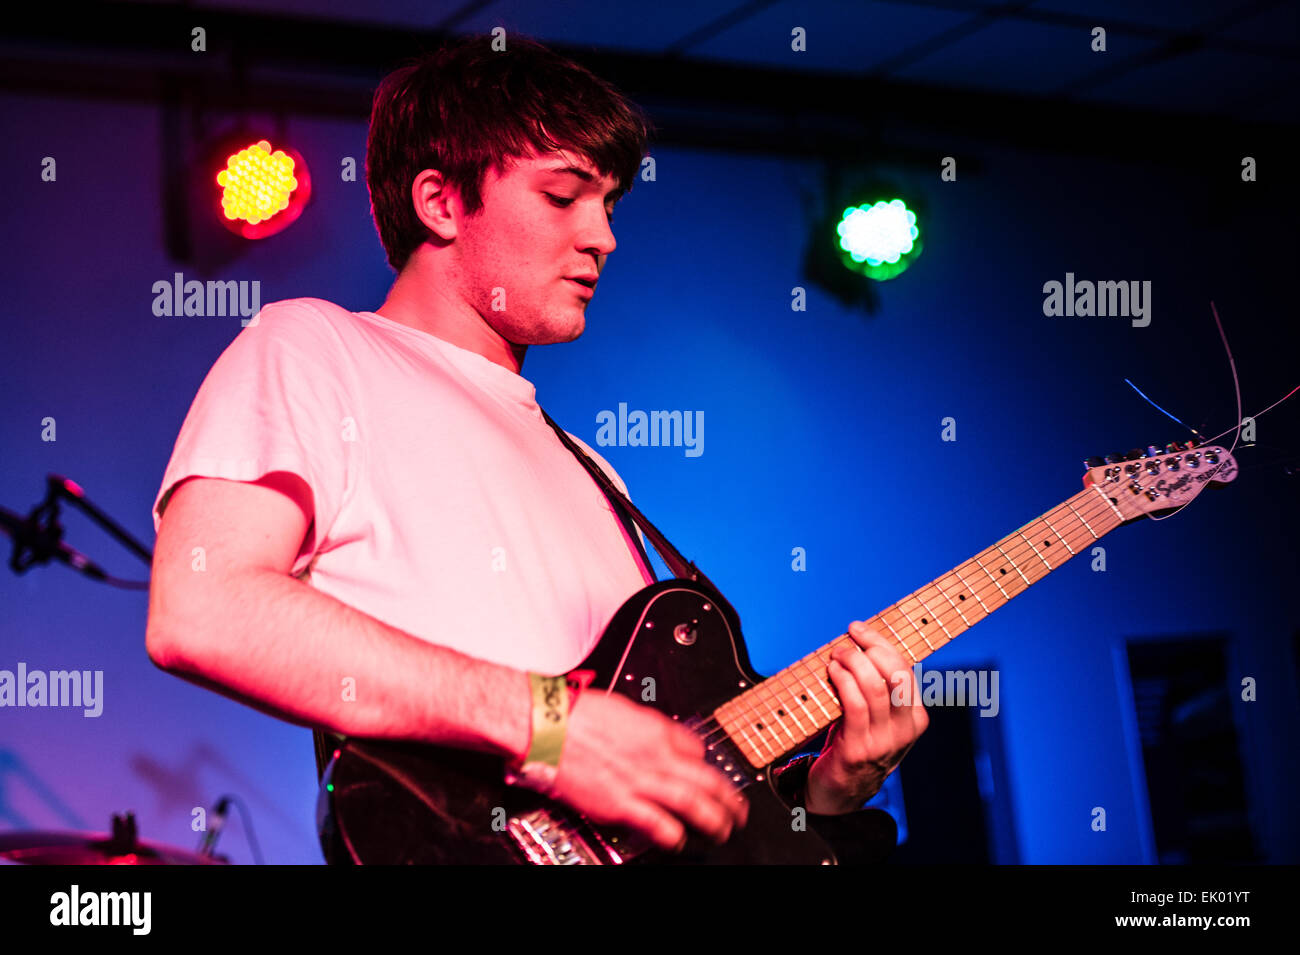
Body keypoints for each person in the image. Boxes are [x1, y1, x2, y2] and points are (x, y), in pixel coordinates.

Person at [145, 32, 928, 864]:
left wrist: (825, 792)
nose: (604, 237)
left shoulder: (593, 470)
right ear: (441, 203)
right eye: (563, 197)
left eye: (610, 204)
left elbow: (641, 806)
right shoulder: (316, 349)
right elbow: (202, 608)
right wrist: (551, 724)